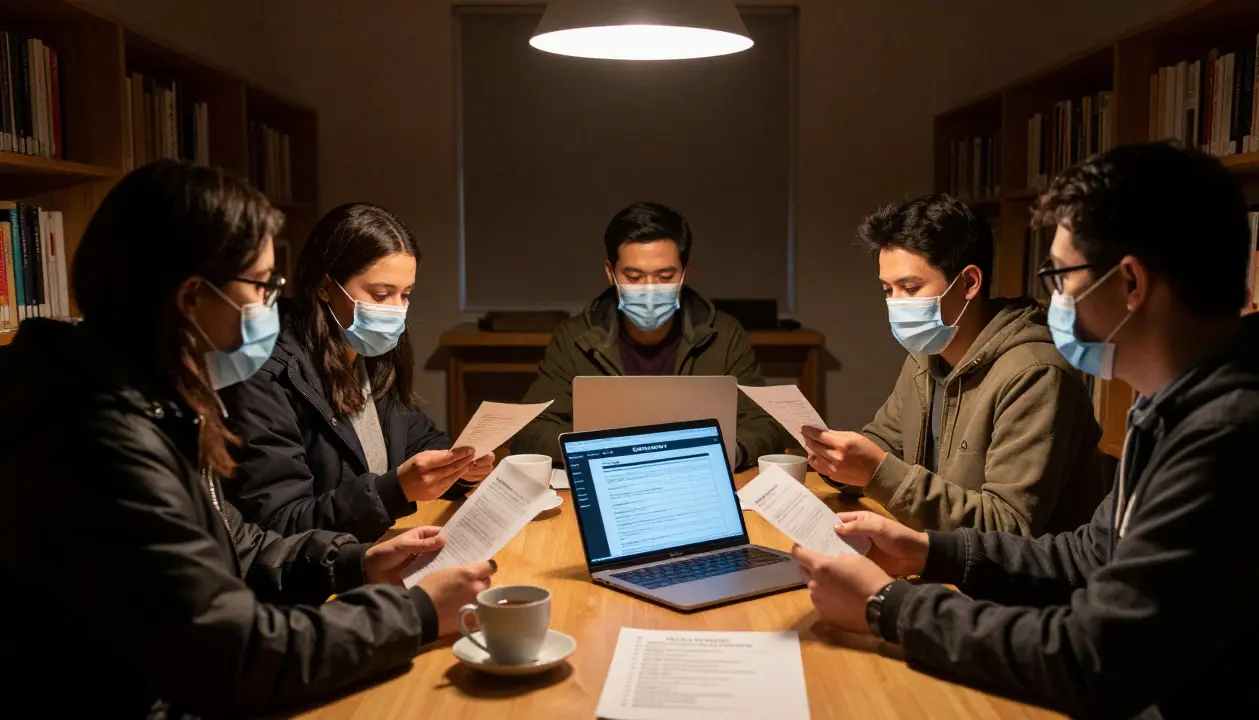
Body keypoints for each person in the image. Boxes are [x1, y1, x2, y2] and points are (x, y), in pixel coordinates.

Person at [793, 143, 1259, 718]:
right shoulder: (1172, 406)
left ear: (1130, 284)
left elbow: (1092, 657)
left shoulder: (1233, 434)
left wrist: (885, 607)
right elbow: (1088, 556)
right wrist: (929, 551)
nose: (1052, 300)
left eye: (1060, 276)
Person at [0, 161, 495, 717]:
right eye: (262, 286)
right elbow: (233, 652)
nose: (272, 306)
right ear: (191, 298)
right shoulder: (96, 438)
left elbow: (240, 548)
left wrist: (361, 562)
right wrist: (418, 614)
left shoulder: (158, 399)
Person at [803, 194, 1106, 534]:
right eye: (888, 289)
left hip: (1010, 582)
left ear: (969, 283)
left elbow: (1007, 528)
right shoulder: (927, 353)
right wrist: (837, 464)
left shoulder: (1035, 374)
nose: (896, 305)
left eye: (911, 287)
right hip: (937, 555)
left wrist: (876, 472)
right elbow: (886, 441)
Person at [220, 203, 493, 541]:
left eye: (405, 294)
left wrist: (462, 468)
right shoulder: (269, 374)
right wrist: (394, 492)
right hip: (324, 576)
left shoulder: (371, 354)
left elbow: (419, 441)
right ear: (325, 286)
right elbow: (280, 523)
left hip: (373, 549)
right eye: (381, 294)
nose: (396, 311)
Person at [510, 201, 789, 469]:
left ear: (684, 273)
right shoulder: (574, 338)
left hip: (697, 476)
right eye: (634, 277)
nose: (650, 288)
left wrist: (728, 451)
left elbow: (767, 425)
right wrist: (594, 450)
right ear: (610, 273)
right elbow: (529, 432)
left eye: (665, 276)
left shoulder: (724, 335)